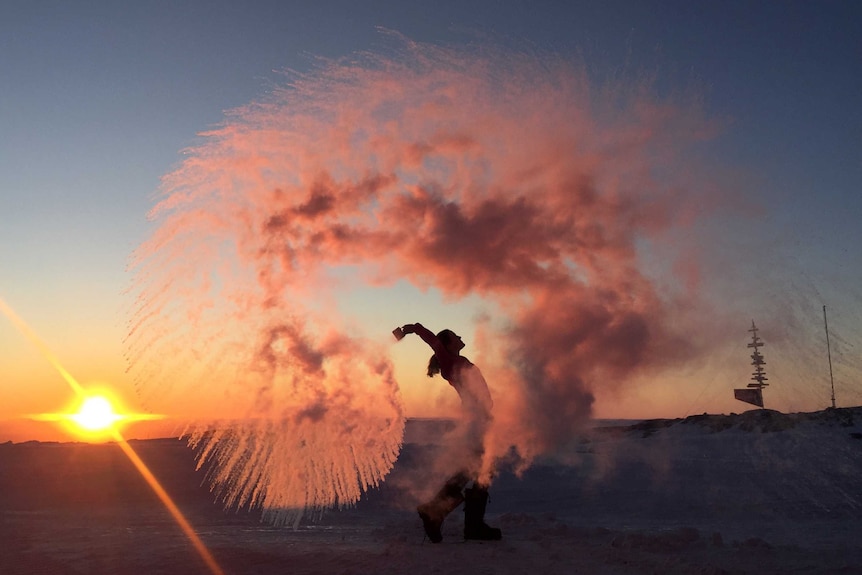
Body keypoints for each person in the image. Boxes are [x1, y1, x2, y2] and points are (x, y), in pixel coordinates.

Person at [398, 323, 502, 543]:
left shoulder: (457, 361)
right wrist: (411, 328)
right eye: (455, 335)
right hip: (476, 421)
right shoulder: (448, 360)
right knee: (481, 470)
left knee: (473, 470)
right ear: (448, 343)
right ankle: (465, 524)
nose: (460, 336)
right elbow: (432, 340)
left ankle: (439, 513)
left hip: (479, 421)